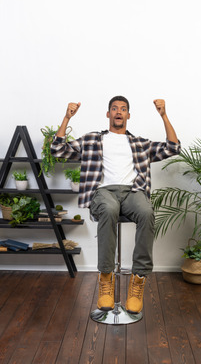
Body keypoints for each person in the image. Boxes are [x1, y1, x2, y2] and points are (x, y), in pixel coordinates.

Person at [51, 96, 181, 314]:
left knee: (147, 211)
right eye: (114, 108)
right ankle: (105, 279)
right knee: (110, 209)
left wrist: (164, 115)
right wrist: (66, 118)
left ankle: (138, 280)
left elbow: (173, 148)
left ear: (128, 115)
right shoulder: (92, 139)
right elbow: (58, 151)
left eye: (123, 109)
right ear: (108, 114)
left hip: (133, 191)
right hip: (103, 192)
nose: (118, 112)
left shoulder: (140, 143)